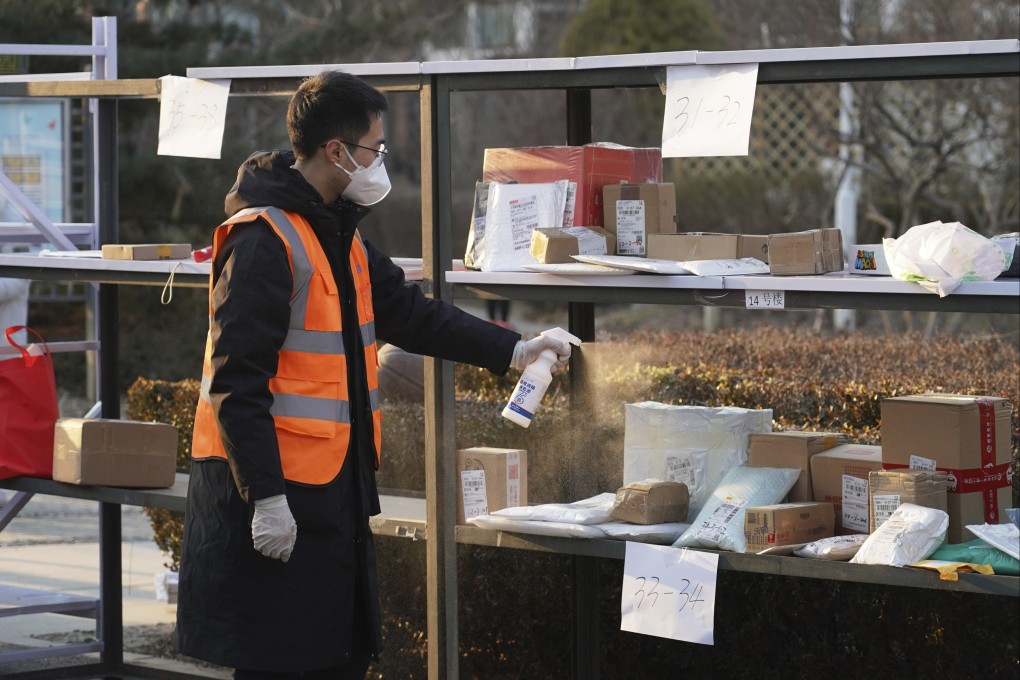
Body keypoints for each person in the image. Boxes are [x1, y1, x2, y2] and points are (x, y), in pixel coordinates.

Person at [174, 71, 572, 679]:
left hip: (333, 493)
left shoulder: (338, 232)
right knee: (281, 663)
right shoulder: (265, 241)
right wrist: (268, 498)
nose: (380, 160)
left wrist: (515, 349)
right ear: (336, 151)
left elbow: (414, 316)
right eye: (373, 149)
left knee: (334, 658)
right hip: (275, 496)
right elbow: (234, 384)